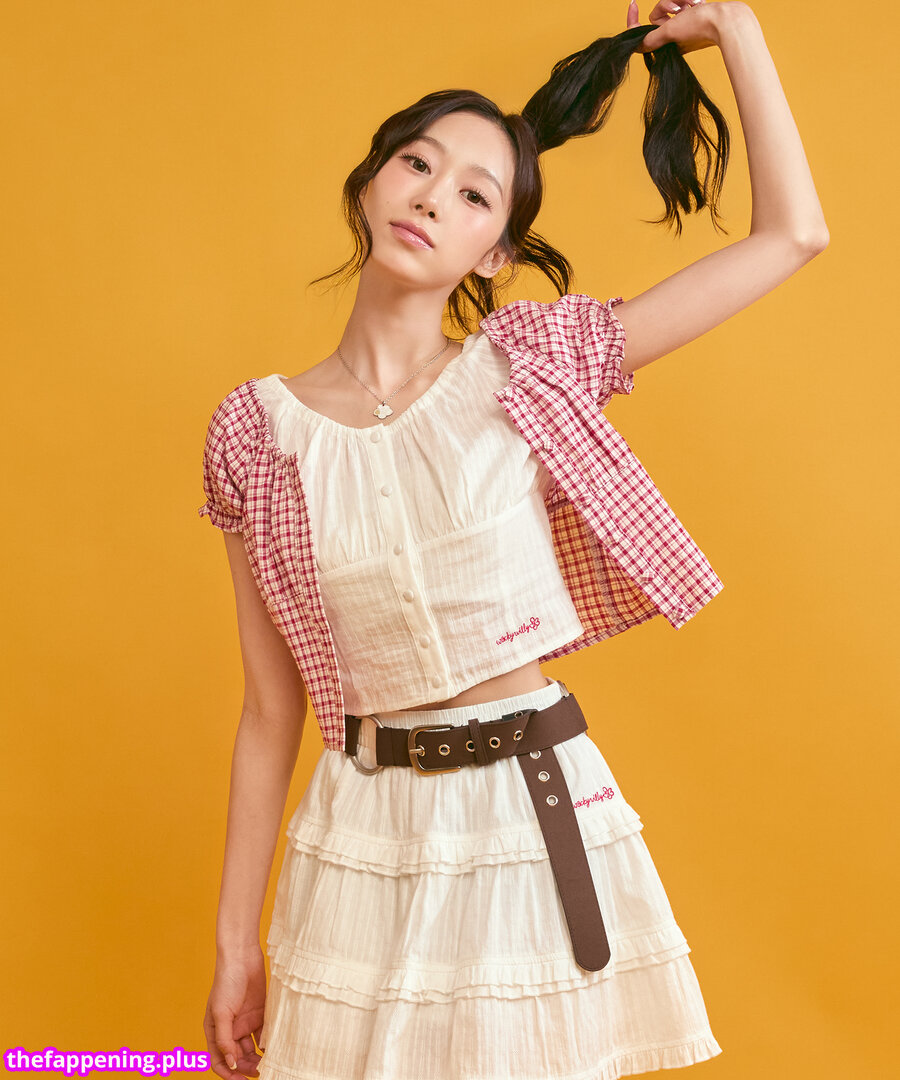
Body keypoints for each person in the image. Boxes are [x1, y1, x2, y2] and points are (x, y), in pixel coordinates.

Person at [198, 2, 828, 1077]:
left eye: (474, 194)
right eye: (416, 164)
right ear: (369, 184)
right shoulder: (255, 433)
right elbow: (270, 714)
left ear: (493, 254)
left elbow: (792, 236)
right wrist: (233, 946)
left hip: (524, 815)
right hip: (361, 835)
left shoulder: (530, 367)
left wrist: (738, 29)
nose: (431, 197)